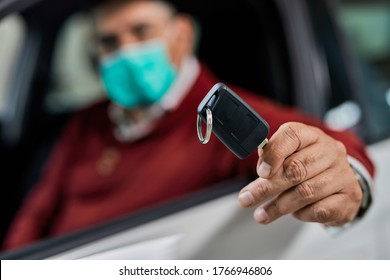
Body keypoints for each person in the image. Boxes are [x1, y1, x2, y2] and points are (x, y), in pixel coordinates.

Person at [2, 0, 374, 250]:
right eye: (109, 42)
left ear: (181, 35)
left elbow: (330, 148)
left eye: (141, 31)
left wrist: (348, 177)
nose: (125, 51)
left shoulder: (230, 116)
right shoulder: (88, 120)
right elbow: (38, 209)